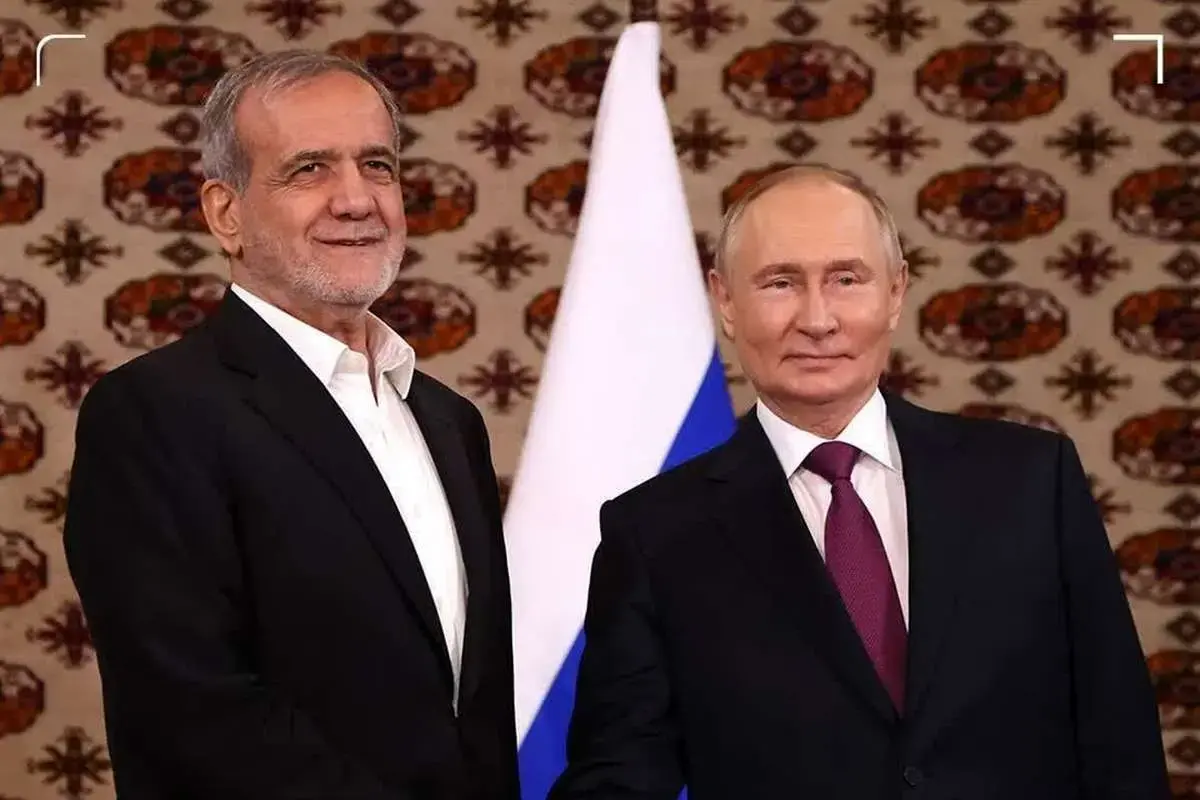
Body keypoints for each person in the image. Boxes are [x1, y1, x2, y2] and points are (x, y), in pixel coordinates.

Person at [547, 164, 1168, 799]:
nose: (818, 319)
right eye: (780, 283)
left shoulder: (1032, 484)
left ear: (896, 293)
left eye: (846, 279)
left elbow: (1119, 743)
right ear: (726, 302)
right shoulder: (654, 534)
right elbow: (621, 774)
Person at [64, 50, 519, 800]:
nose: (357, 200)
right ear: (226, 213)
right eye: (310, 169)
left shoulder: (450, 422)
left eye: (377, 166)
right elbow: (191, 714)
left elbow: (474, 711)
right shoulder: (152, 413)